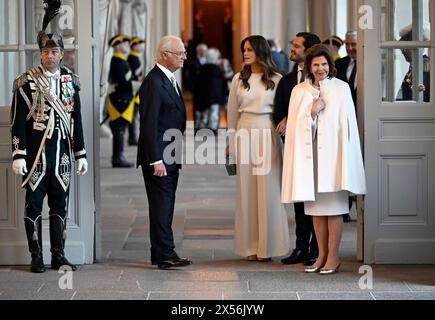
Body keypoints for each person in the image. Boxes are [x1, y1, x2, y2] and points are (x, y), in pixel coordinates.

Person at [281, 44, 366, 274]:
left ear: (331, 65)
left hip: (334, 159)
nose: (321, 68)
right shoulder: (299, 91)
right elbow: (294, 127)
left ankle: (334, 257)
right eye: (316, 64)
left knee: (334, 209)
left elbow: (348, 128)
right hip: (311, 160)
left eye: (325, 64)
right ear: (309, 66)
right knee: (316, 210)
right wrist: (312, 111)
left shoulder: (341, 89)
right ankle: (321, 255)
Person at [10, 31, 88, 273]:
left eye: (54, 51)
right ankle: (36, 255)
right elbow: (18, 122)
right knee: (33, 206)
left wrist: (80, 153)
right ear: (40, 54)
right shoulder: (26, 82)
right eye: (45, 51)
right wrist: (18, 153)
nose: (49, 56)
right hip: (36, 157)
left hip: (62, 156)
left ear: (62, 54)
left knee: (59, 206)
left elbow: (76, 119)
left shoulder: (70, 81)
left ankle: (58, 255)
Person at [227, 35, 290, 262]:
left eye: (250, 50)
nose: (245, 53)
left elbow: (284, 109)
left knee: (269, 191)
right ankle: (250, 247)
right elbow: (232, 114)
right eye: (244, 49)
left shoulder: (277, 78)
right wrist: (230, 143)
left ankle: (269, 247)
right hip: (244, 131)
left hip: (267, 131)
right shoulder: (238, 79)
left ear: (261, 52)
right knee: (247, 191)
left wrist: (284, 121)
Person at [136, 35, 192, 270]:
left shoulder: (167, 79)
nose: (184, 57)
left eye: (184, 53)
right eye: (180, 53)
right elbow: (149, 124)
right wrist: (156, 159)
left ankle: (162, 252)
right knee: (161, 204)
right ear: (164, 55)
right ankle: (164, 253)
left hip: (169, 154)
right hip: (159, 157)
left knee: (166, 204)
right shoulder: (154, 82)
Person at [273, 32, 321, 266]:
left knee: (318, 201)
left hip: (319, 149)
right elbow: (278, 110)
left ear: (309, 50)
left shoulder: (324, 80)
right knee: (299, 200)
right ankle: (301, 247)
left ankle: (316, 248)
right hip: (295, 148)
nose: (292, 49)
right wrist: (282, 118)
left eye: (296, 46)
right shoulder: (287, 80)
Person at [335, 30, 358, 222]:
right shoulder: (339, 64)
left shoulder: (375, 65)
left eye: (354, 44)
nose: (350, 48)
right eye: (348, 44)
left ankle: (362, 205)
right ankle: (345, 208)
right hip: (342, 122)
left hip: (363, 121)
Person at [107, 34, 134, 168]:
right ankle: (118, 158)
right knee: (119, 131)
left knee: (121, 130)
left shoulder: (122, 60)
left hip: (123, 98)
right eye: (124, 43)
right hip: (119, 99)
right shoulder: (117, 61)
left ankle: (119, 156)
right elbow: (121, 82)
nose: (127, 46)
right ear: (118, 46)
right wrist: (136, 85)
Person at [194, 48, 226, 133]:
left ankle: (202, 128)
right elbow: (222, 86)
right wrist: (223, 98)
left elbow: (196, 86)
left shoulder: (201, 69)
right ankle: (213, 129)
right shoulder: (218, 70)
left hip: (202, 98)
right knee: (213, 116)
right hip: (215, 98)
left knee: (204, 116)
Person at [396, 28, 430, 103]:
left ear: (414, 48)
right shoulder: (416, 64)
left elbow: (422, 95)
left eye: (404, 48)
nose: (403, 52)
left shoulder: (424, 64)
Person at [127, 37, 146, 146]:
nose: (141, 47)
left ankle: (134, 136)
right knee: (133, 115)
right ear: (134, 46)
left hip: (137, 88)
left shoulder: (136, 57)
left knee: (135, 115)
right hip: (134, 89)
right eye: (139, 44)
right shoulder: (133, 58)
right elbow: (134, 75)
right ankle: (132, 137)